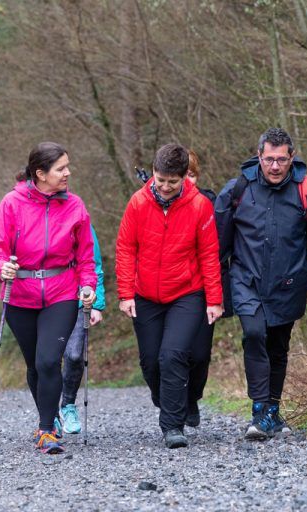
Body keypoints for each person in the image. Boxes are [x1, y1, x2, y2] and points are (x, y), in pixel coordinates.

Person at [216, 127, 307, 440]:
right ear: (259, 156)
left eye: (281, 160)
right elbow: (216, 244)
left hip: (289, 282)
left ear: (292, 158)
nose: (275, 166)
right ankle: (260, 410)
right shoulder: (238, 189)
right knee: (255, 334)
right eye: (269, 159)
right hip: (246, 280)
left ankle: (273, 408)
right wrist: (214, 291)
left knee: (277, 345)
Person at [0, 142, 97, 455]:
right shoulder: (12, 203)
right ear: (40, 174)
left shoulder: (75, 206)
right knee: (34, 364)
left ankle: (47, 430)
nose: (67, 173)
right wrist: (0, 267)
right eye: (60, 168)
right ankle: (49, 416)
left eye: (67, 166)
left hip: (61, 292)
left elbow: (86, 256)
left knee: (49, 360)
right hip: (20, 294)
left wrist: (88, 286)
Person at [116, 143, 223, 449]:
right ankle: (169, 399)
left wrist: (214, 299)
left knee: (173, 355)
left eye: (172, 182)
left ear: (184, 179)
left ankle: (172, 425)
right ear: (153, 173)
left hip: (187, 293)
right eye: (159, 180)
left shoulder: (200, 205)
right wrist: (126, 293)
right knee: (151, 362)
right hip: (146, 293)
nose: (164, 187)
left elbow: (209, 254)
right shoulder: (137, 203)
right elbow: (125, 248)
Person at [57, 225, 106, 434]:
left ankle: (67, 404)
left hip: (78, 299)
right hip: (46, 300)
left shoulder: (79, 219)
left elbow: (94, 263)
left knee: (75, 355)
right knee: (46, 359)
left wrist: (97, 303)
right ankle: (48, 413)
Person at [184, 149, 216, 427]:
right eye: (183, 176)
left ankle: (193, 396)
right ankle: (172, 401)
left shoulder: (209, 203)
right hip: (169, 290)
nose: (188, 182)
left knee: (200, 353)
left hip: (203, 288)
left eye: (192, 175)